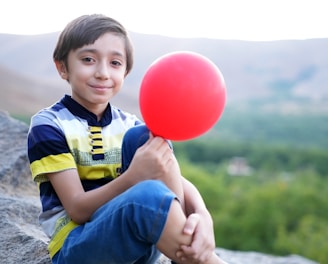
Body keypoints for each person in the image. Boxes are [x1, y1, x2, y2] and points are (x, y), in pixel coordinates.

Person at [27, 14, 228, 264]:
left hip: (140, 240)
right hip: (78, 247)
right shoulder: (49, 125)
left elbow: (175, 177)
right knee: (148, 194)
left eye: (115, 63)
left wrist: (202, 214)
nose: (102, 73)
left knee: (143, 138)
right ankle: (203, 260)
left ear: (126, 71)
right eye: (88, 59)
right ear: (62, 67)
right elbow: (77, 209)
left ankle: (187, 246)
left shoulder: (128, 124)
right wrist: (133, 177)